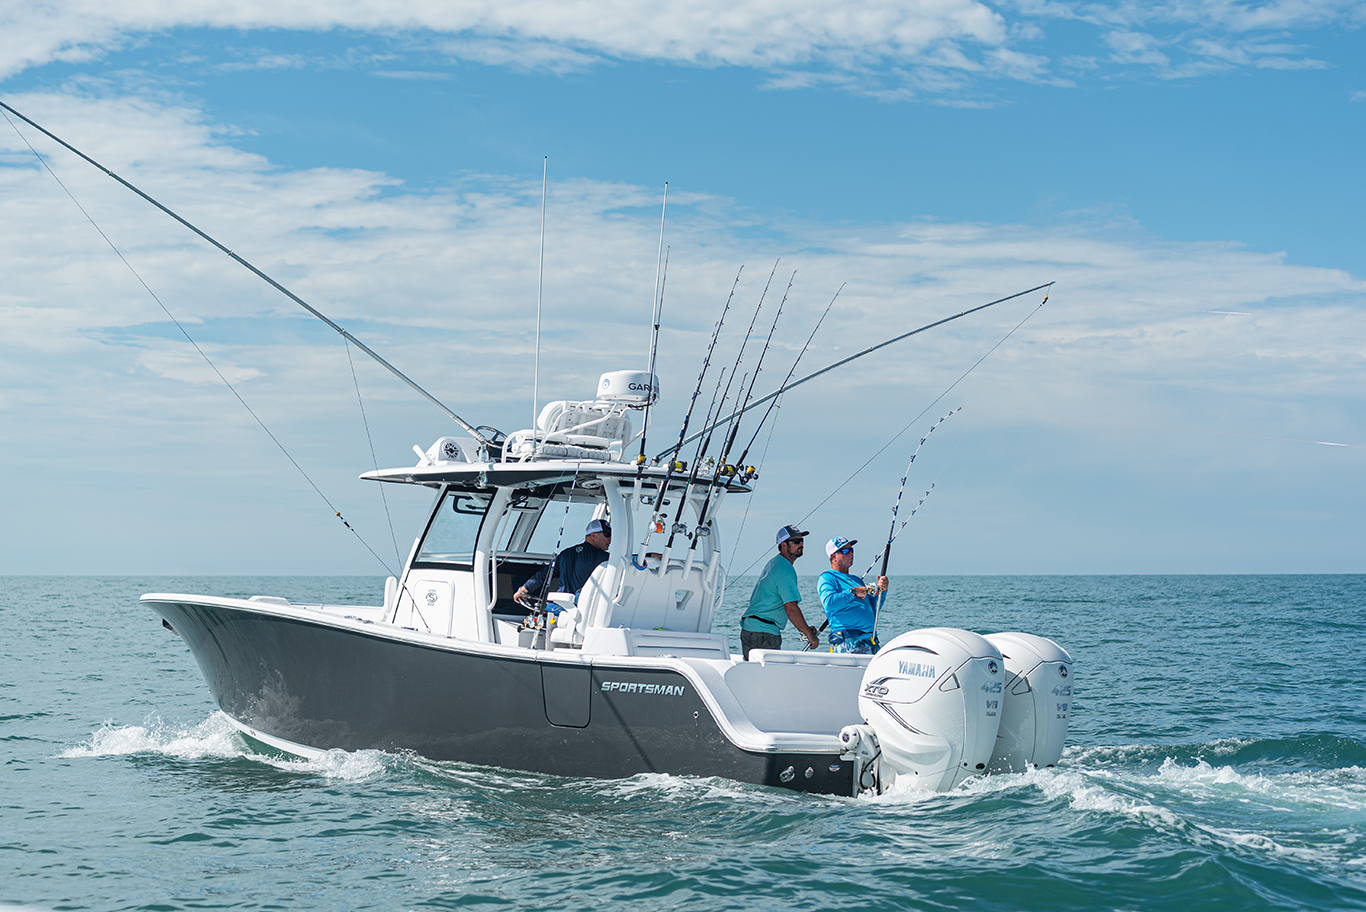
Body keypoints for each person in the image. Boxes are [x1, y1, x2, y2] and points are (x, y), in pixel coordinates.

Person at [739, 525, 820, 659]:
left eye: (802, 541)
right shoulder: (784, 569)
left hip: (752, 629)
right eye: (795, 541)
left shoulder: (775, 563)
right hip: (763, 634)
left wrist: (804, 628)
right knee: (767, 678)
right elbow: (791, 609)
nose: (801, 544)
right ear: (783, 544)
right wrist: (809, 635)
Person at [515, 518, 611, 609]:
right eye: (607, 534)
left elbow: (544, 575)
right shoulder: (605, 558)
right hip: (583, 611)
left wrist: (522, 590)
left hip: (559, 610)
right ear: (593, 536)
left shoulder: (565, 553)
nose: (610, 538)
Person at [817, 536, 888, 654]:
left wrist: (882, 590)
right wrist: (853, 592)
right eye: (845, 551)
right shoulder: (827, 578)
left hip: (870, 641)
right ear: (833, 557)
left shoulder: (856, 580)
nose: (850, 554)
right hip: (848, 643)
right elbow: (829, 603)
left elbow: (874, 609)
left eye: (851, 550)